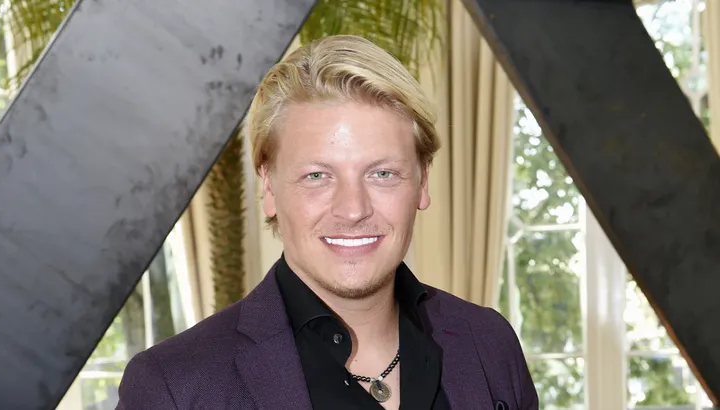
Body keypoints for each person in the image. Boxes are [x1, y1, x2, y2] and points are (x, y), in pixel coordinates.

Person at [115, 34, 538, 410]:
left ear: (422, 182)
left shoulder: (489, 343)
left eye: (382, 173)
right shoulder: (173, 388)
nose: (353, 210)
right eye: (317, 176)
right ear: (269, 187)